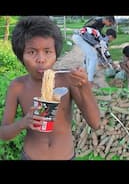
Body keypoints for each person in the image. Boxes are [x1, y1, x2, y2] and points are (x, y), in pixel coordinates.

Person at [0, 16, 100, 160]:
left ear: (56, 53)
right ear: (21, 56)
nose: (41, 59)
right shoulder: (17, 86)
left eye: (47, 51)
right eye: (32, 52)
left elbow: (95, 122)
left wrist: (84, 86)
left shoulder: (68, 80)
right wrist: (23, 123)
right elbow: (3, 133)